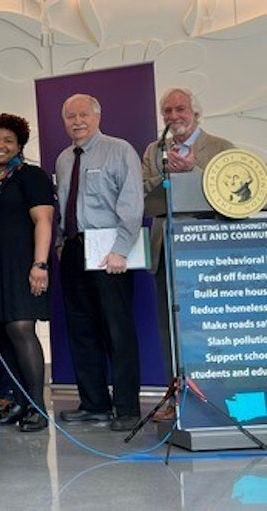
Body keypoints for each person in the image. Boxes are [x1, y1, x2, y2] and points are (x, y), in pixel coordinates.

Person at [141, 87, 233, 420]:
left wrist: (191, 172)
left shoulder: (221, 147)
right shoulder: (153, 150)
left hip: (208, 254)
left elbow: (231, 193)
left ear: (195, 112)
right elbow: (141, 190)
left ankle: (216, 398)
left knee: (208, 326)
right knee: (170, 327)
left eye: (180, 109)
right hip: (166, 247)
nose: (173, 116)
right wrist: (168, 175)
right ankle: (176, 398)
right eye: (167, 111)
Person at [56, 94, 144, 432]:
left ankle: (127, 408)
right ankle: (94, 404)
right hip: (76, 251)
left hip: (112, 253)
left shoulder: (119, 150)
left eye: (83, 115)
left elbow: (132, 203)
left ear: (97, 116)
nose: (77, 121)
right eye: (70, 116)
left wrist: (121, 249)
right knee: (82, 330)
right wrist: (63, 243)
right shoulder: (64, 159)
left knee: (117, 331)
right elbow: (65, 204)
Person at [0, 114, 55, 432]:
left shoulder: (30, 176)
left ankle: (37, 406)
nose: (0, 145)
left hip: (23, 265)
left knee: (22, 330)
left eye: (8, 140)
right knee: (4, 334)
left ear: (19, 144)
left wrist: (40, 264)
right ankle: (19, 402)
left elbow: (43, 222)